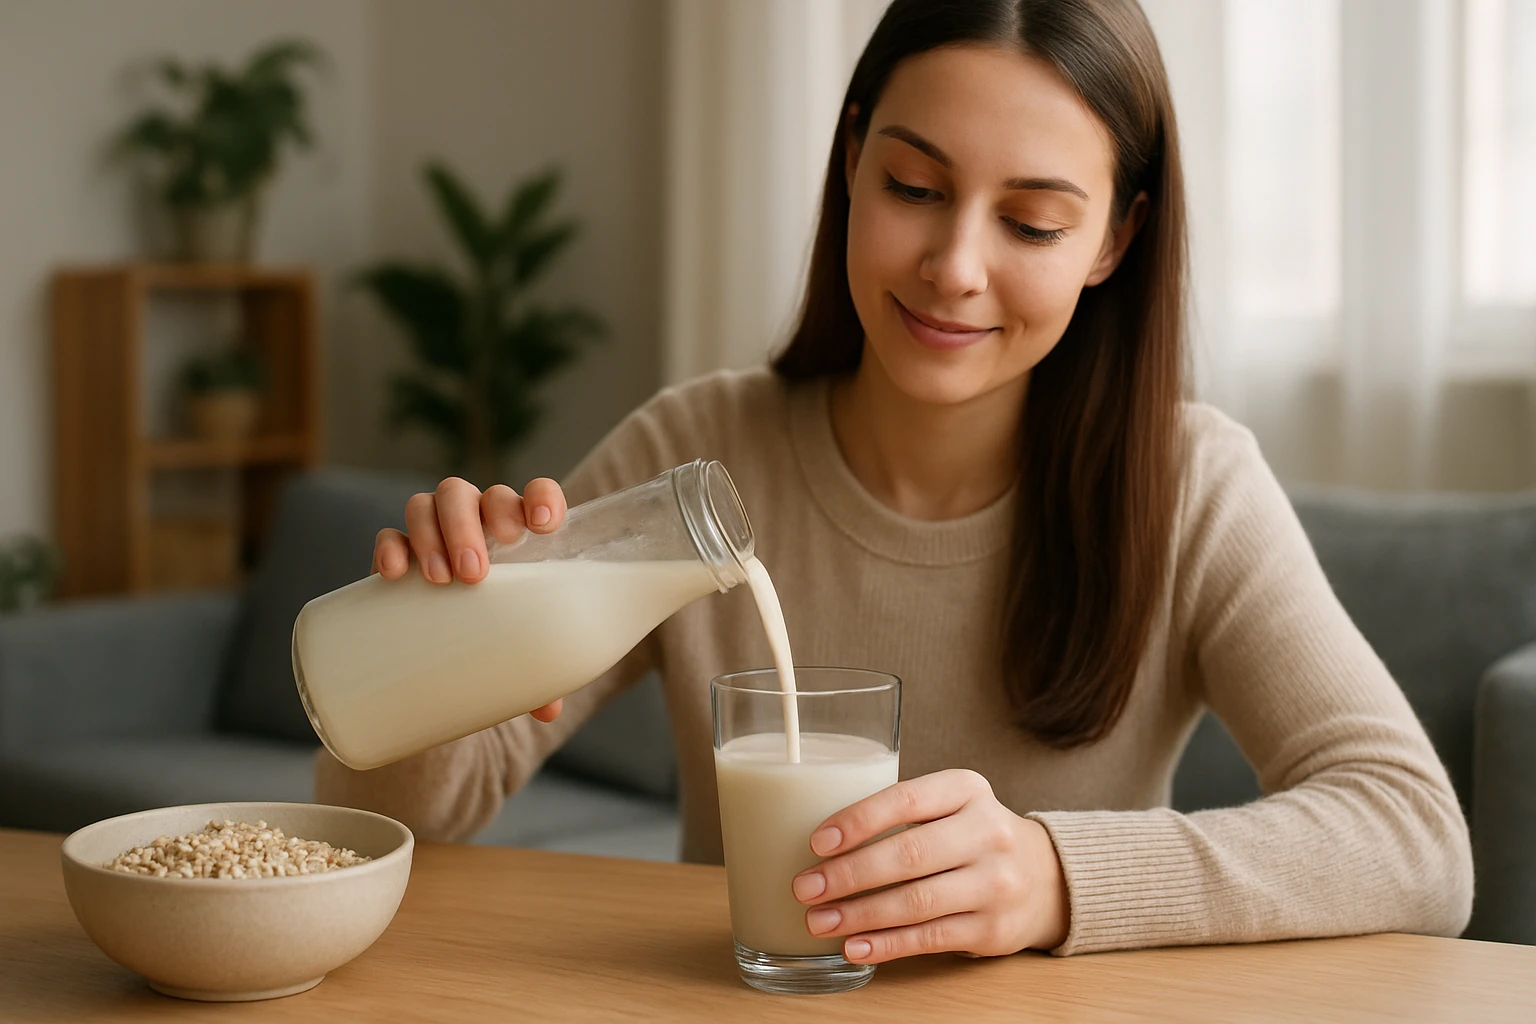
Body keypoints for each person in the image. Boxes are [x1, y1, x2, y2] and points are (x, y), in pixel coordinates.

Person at [319, 0, 1472, 961]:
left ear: (1112, 243)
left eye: (1029, 221)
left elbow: (1416, 836)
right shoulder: (701, 460)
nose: (955, 268)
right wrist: (442, 636)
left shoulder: (1189, 486)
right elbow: (389, 821)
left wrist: (1052, 876)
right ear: (854, 162)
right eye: (915, 189)